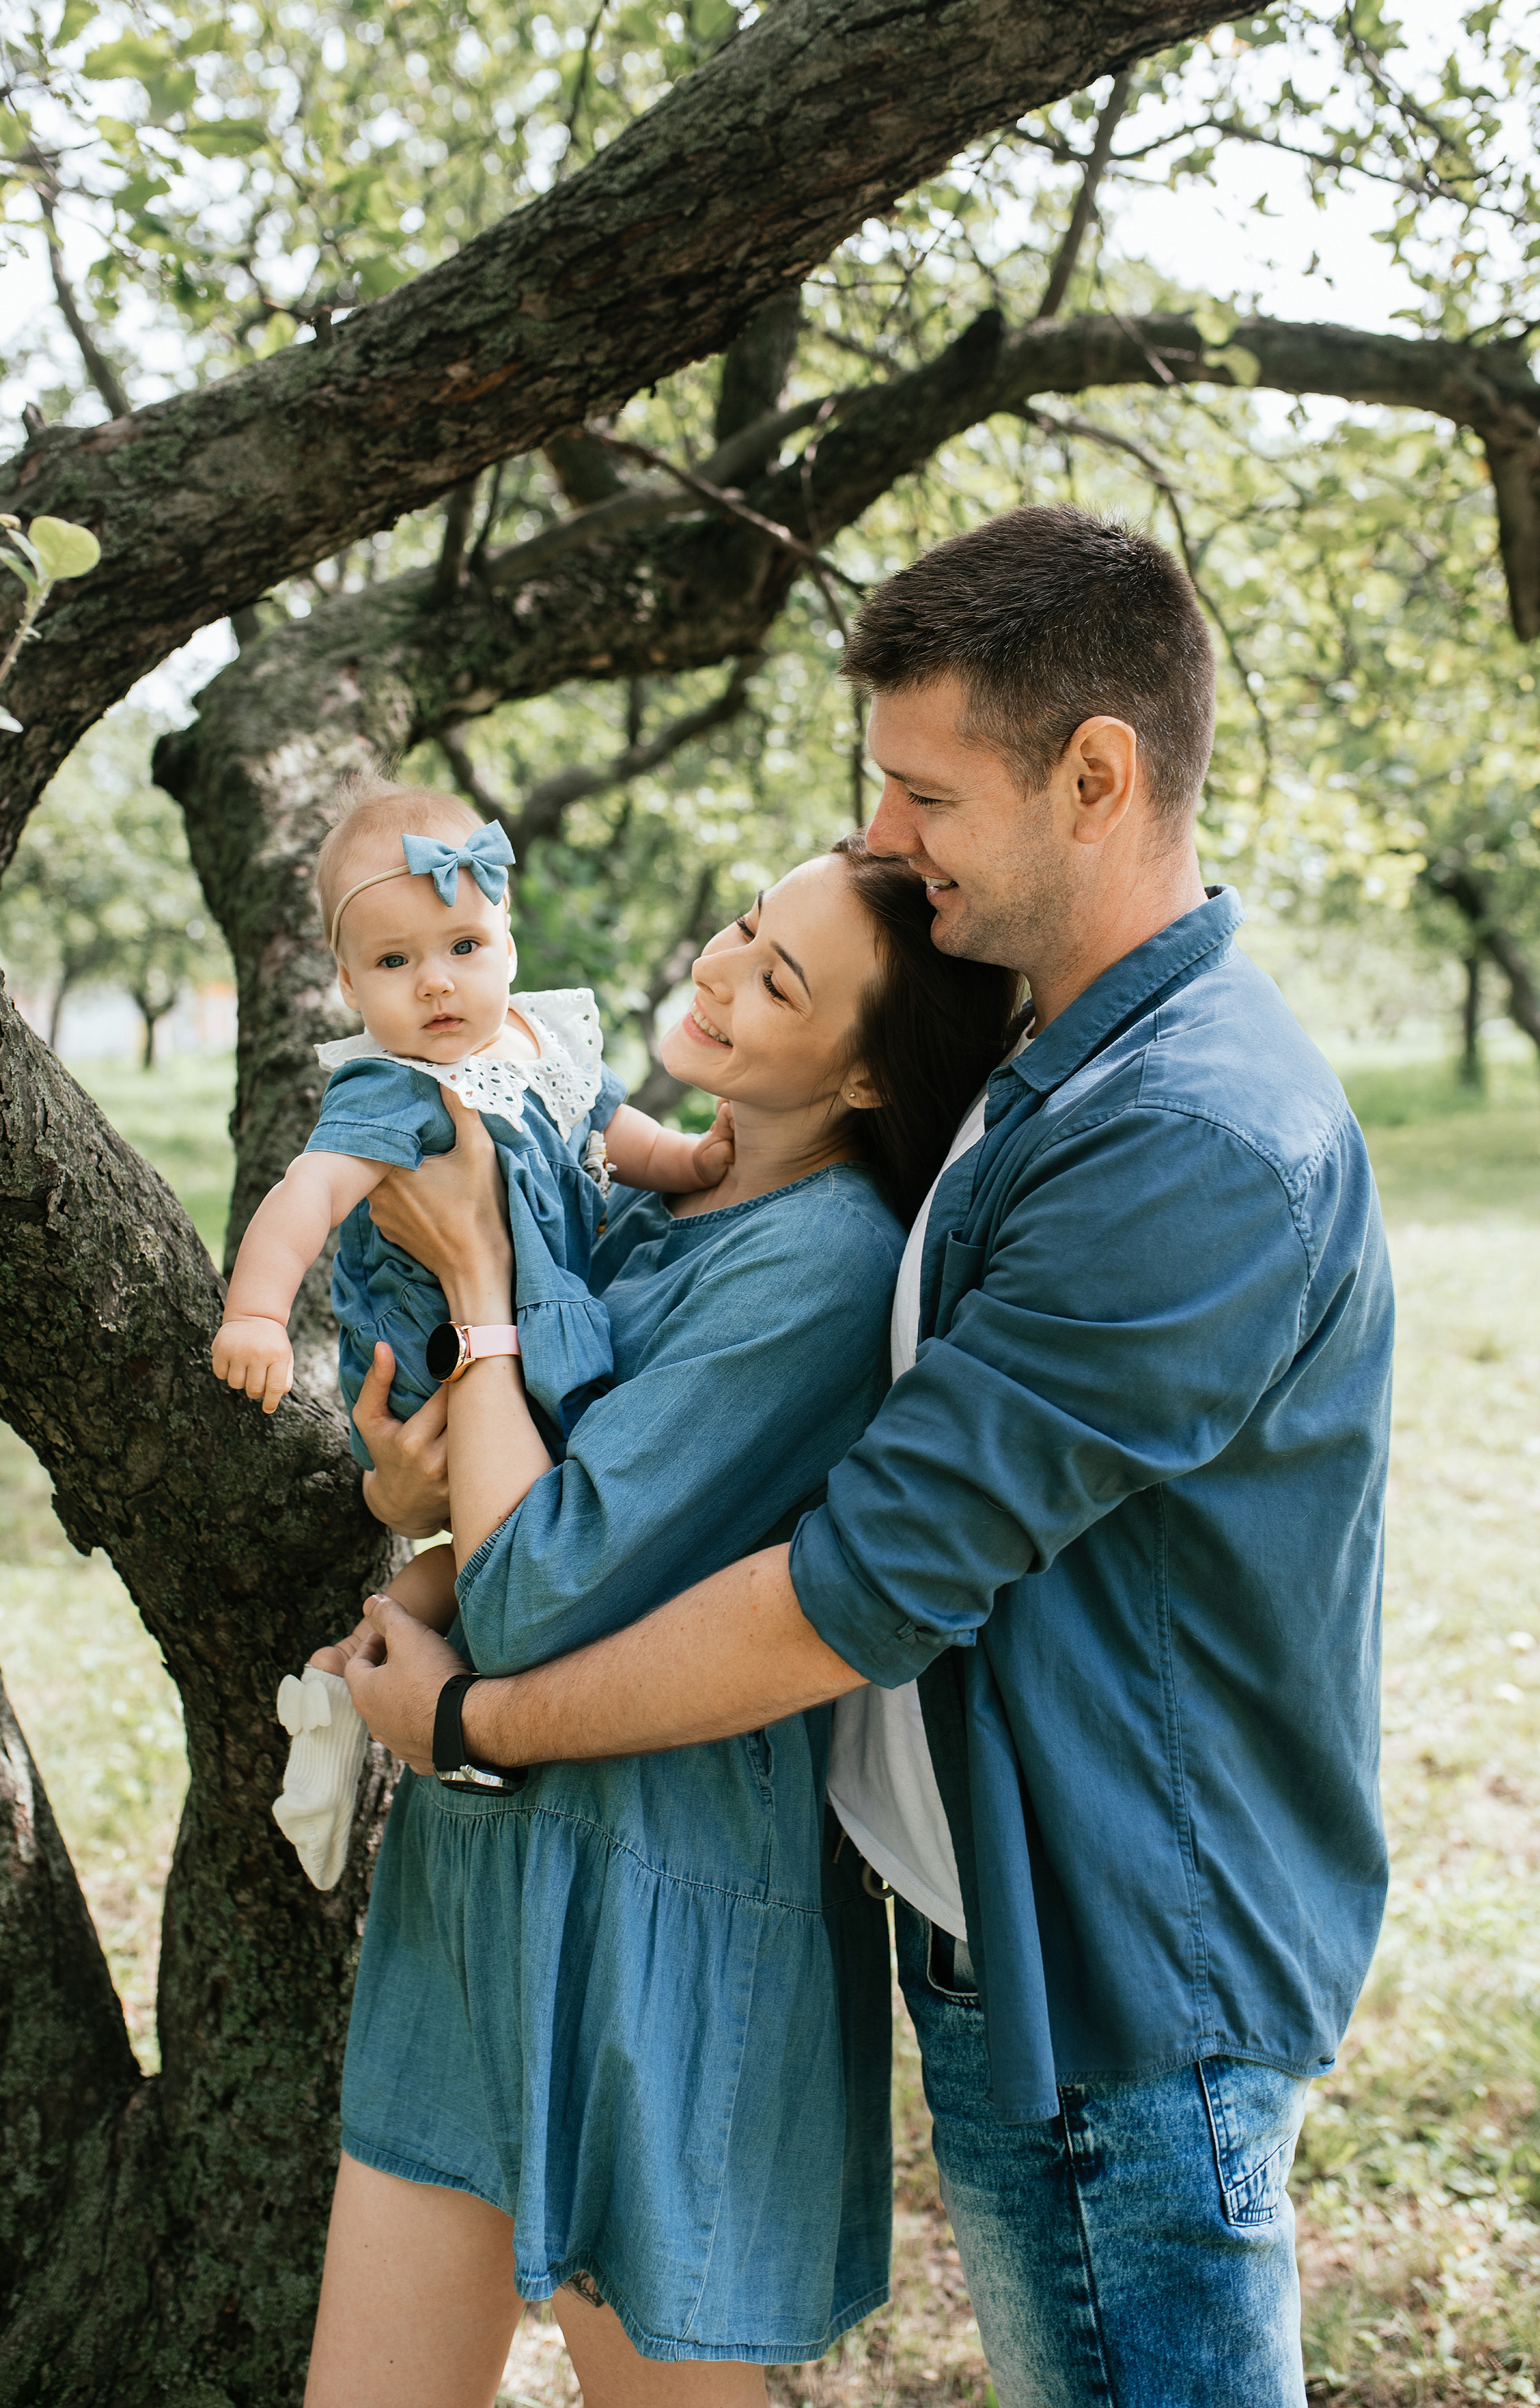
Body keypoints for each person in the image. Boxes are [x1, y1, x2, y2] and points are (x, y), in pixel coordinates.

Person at [350, 507, 1395, 2408]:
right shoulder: (1060, 1065)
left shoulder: (1188, 1136)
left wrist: (480, 1724)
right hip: (1015, 1947)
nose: (884, 835)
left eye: (925, 792)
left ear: (1096, 778)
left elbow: (858, 1588)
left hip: (1125, 1990)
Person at [304, 840, 1019, 2406]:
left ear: (863, 1078)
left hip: (660, 1910)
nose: (716, 969)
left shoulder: (821, 1263)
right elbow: (485, 1492)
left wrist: (477, 1279)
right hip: (475, 1872)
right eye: (743, 926)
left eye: (778, 981)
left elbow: (530, 1585)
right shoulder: (644, 1193)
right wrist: (404, 1484)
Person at [210, 779, 727, 1885]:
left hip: (537, 1339)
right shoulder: (391, 1091)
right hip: (444, 1363)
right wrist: (256, 1311)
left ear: (508, 941)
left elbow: (611, 1126)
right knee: (515, 1540)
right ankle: (385, 1696)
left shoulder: (542, 1037)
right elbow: (305, 1196)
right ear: (348, 985)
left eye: (462, 946)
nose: (436, 981)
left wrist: (687, 1159)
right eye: (395, 962)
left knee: (480, 1557)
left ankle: (345, 1678)